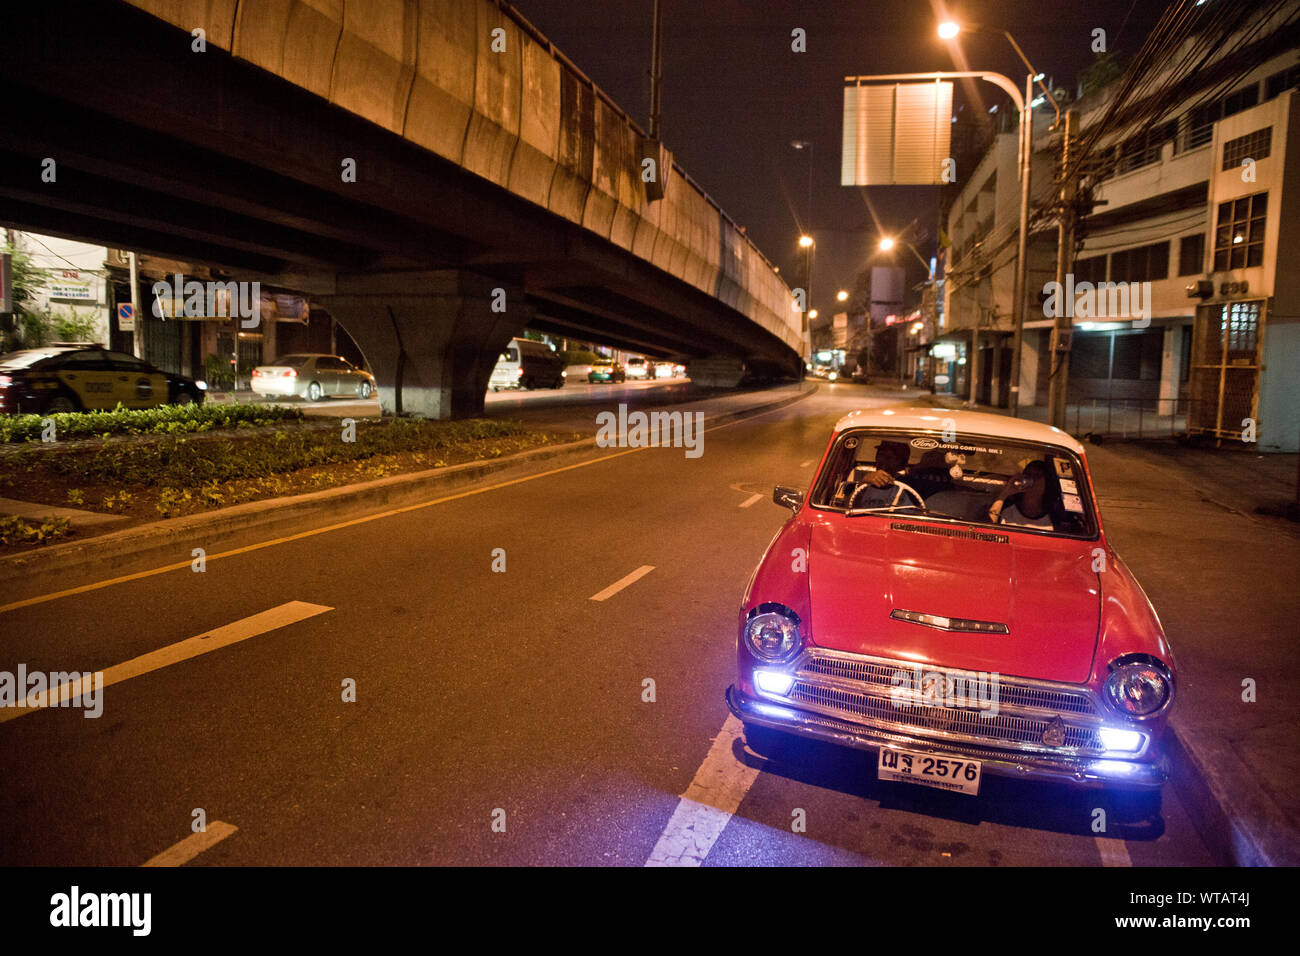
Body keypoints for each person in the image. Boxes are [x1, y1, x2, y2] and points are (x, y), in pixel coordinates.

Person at [847, 440, 917, 509]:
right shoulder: (862, 480)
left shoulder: (908, 488)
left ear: (902, 464)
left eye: (891, 457)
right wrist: (862, 483)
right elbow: (846, 507)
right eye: (881, 455)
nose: (883, 460)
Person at [988, 460, 1056, 529]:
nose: (1031, 480)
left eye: (1037, 476)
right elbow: (988, 527)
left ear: (1046, 483)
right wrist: (1005, 493)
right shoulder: (1007, 507)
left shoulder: (1053, 516)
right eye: (1028, 475)